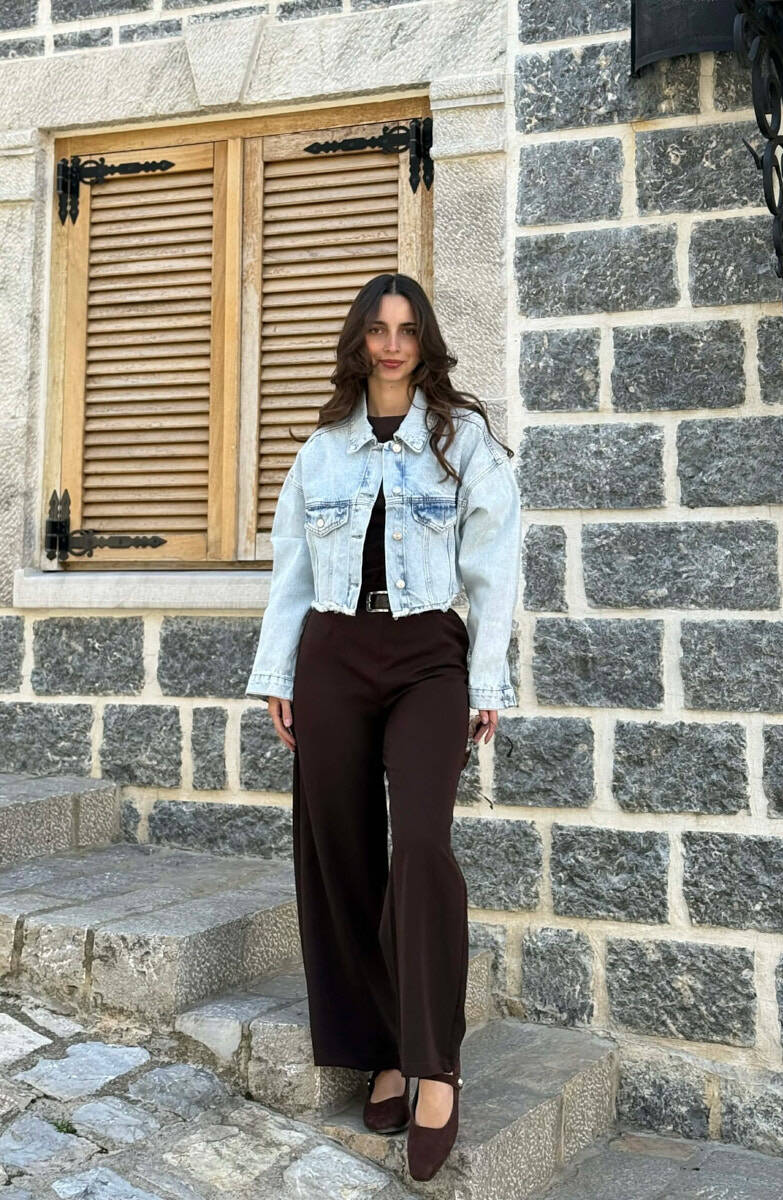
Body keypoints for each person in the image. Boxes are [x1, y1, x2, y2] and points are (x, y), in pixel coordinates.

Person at [245, 272, 521, 1180]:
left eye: (407, 329)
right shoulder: (324, 448)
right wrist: (279, 672)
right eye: (378, 329)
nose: (393, 344)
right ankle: (387, 1050)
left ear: (423, 340)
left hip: (427, 656)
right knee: (343, 852)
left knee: (424, 848)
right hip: (333, 653)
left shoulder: (464, 440)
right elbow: (291, 566)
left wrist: (486, 679)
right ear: (359, 341)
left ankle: (435, 1064)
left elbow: (494, 568)